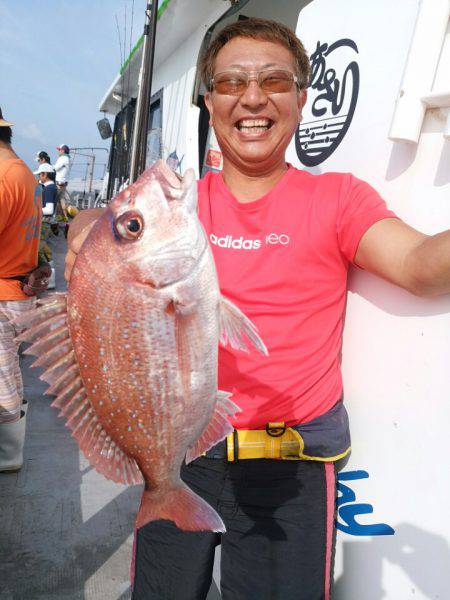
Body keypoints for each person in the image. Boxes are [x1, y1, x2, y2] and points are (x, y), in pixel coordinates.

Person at [64, 18, 450, 600]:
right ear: (209, 101)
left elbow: (422, 266)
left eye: (274, 81)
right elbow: (105, 226)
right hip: (184, 453)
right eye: (231, 83)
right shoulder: (180, 209)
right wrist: (90, 230)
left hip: (290, 467)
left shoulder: (337, 199)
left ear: (300, 97)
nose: (252, 98)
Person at [0, 107, 51, 473]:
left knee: (1, 378)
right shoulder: (25, 175)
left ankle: (7, 456)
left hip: (4, 294)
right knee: (10, 374)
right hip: (21, 291)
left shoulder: (2, 178)